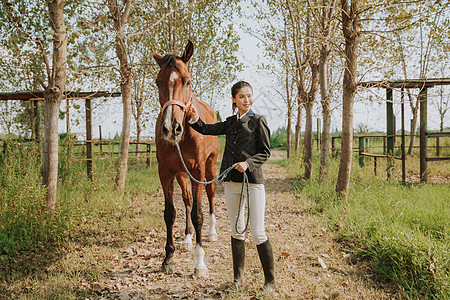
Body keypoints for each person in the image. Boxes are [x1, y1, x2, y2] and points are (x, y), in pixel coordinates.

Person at [187, 81, 276, 292]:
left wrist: (248, 163)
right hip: (231, 184)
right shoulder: (229, 122)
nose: (247, 100)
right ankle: (238, 280)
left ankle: (270, 282)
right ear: (234, 100)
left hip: (253, 183)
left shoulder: (259, 122)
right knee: (237, 231)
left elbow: (265, 152)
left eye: (249, 96)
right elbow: (206, 129)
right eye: (242, 97)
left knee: (257, 232)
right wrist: (192, 117)